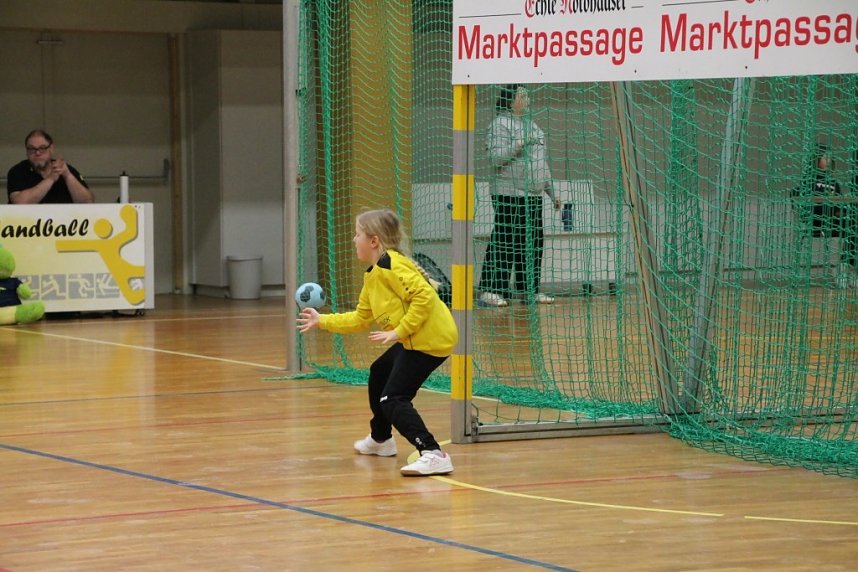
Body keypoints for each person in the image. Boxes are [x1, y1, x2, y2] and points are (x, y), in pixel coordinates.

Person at [297, 209, 459, 476]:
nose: (353, 240)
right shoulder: (374, 274)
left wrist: (398, 331)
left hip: (429, 340)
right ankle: (381, 439)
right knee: (380, 371)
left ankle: (433, 453)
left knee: (393, 398)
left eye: (357, 234)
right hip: (416, 337)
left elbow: (425, 298)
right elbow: (360, 318)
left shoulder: (393, 266)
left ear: (373, 241)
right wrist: (321, 320)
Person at [478, 84, 560, 307]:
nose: (527, 100)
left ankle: (529, 290)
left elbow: (541, 162)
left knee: (533, 243)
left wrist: (552, 193)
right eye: (522, 96)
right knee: (505, 241)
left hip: (533, 196)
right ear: (510, 100)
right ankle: (491, 290)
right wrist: (519, 143)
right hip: (508, 194)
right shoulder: (499, 125)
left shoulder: (533, 126)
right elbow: (495, 159)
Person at [793, 143, 857, 288]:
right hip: (816, 221)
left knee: (853, 228)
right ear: (816, 159)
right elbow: (803, 203)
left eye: (829, 157)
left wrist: (840, 210)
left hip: (833, 220)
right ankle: (842, 269)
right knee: (850, 227)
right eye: (824, 157)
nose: (828, 160)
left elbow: (839, 203)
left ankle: (846, 268)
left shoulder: (834, 182)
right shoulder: (809, 180)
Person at [7, 129, 94, 204]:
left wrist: (67, 176)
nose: (37, 153)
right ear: (26, 151)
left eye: (42, 148)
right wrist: (50, 179)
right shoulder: (17, 171)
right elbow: (20, 202)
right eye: (32, 149)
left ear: (51, 149)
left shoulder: (66, 169)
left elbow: (87, 201)